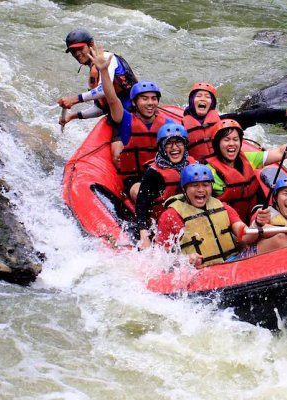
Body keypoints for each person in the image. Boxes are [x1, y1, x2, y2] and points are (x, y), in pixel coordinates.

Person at [88, 43, 167, 202]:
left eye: (153, 99)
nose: (150, 103)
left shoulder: (167, 123)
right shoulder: (126, 119)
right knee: (140, 192)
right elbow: (111, 99)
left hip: (159, 174)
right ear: (135, 102)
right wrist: (103, 70)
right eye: (144, 99)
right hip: (135, 179)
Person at [205, 118, 287, 223]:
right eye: (226, 140)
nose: (232, 143)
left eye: (235, 139)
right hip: (228, 224)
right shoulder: (209, 171)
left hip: (254, 217)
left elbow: (280, 153)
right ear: (217, 144)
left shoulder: (248, 158)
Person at [156, 164, 266, 267]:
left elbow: (246, 237)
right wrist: (185, 260)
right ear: (184, 189)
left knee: (278, 241)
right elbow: (161, 258)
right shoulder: (170, 216)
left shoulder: (223, 207)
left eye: (206, 185)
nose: (201, 190)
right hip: (201, 271)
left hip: (232, 262)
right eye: (195, 185)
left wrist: (257, 223)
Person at [182, 81, 287, 161]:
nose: (202, 99)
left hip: (221, 169)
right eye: (198, 96)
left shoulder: (224, 123)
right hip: (196, 174)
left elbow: (256, 115)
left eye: (207, 97)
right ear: (192, 101)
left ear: (213, 103)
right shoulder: (180, 128)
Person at [57, 28, 138, 127]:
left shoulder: (107, 58)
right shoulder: (94, 71)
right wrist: (71, 116)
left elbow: (103, 90)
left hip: (135, 112)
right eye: (73, 51)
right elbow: (101, 108)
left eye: (80, 48)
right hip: (119, 115)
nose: (77, 54)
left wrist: (74, 99)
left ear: (91, 44)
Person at [135, 121, 196, 249]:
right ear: (162, 147)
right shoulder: (153, 174)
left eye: (179, 142)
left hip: (191, 220)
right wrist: (144, 233)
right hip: (165, 226)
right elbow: (141, 205)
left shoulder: (194, 165)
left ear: (185, 145)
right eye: (169, 143)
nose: (174, 148)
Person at [255, 176, 287, 254]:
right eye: (285, 194)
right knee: (280, 238)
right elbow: (258, 228)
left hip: (285, 260)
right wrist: (286, 228)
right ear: (275, 198)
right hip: (253, 257)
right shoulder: (262, 212)